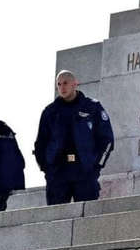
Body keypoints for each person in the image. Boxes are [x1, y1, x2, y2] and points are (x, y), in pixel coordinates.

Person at [34, 70, 114, 205]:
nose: (62, 87)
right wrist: (47, 169)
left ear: (75, 84)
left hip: (84, 171)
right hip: (58, 173)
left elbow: (107, 140)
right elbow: (40, 144)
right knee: (56, 219)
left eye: (65, 83)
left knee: (87, 219)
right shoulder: (50, 112)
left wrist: (96, 166)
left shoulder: (92, 107)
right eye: (59, 84)